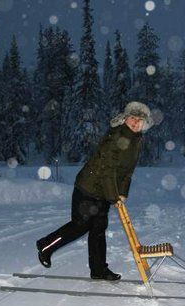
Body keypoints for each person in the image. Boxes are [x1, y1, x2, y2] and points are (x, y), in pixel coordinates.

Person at [36, 101, 153, 280]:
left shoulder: (136, 140)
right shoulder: (117, 136)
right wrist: (114, 196)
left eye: (139, 120)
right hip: (88, 187)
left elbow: (127, 172)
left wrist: (122, 193)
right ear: (125, 118)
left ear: (145, 123)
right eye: (132, 118)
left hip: (104, 191)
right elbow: (108, 169)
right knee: (80, 226)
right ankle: (45, 246)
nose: (135, 123)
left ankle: (98, 270)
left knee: (98, 229)